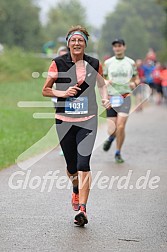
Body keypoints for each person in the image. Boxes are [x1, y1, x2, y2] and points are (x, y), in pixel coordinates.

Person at [42, 25, 110, 226]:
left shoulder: (94, 63)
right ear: (68, 43)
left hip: (88, 120)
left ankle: (83, 209)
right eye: (73, 40)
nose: (77, 43)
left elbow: (102, 85)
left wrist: (105, 99)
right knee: (72, 168)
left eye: (80, 40)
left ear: (85, 44)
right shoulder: (57, 63)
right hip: (64, 121)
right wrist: (62, 93)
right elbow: (45, 90)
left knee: (83, 164)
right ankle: (75, 189)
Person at [103, 38, 139, 163]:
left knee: (121, 126)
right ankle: (111, 138)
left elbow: (136, 79)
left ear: (124, 47)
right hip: (112, 97)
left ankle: (118, 152)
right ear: (113, 48)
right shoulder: (108, 63)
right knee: (112, 129)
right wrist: (107, 82)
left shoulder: (131, 62)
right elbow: (102, 80)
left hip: (125, 97)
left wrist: (135, 84)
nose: (117, 48)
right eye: (115, 46)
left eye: (119, 46)